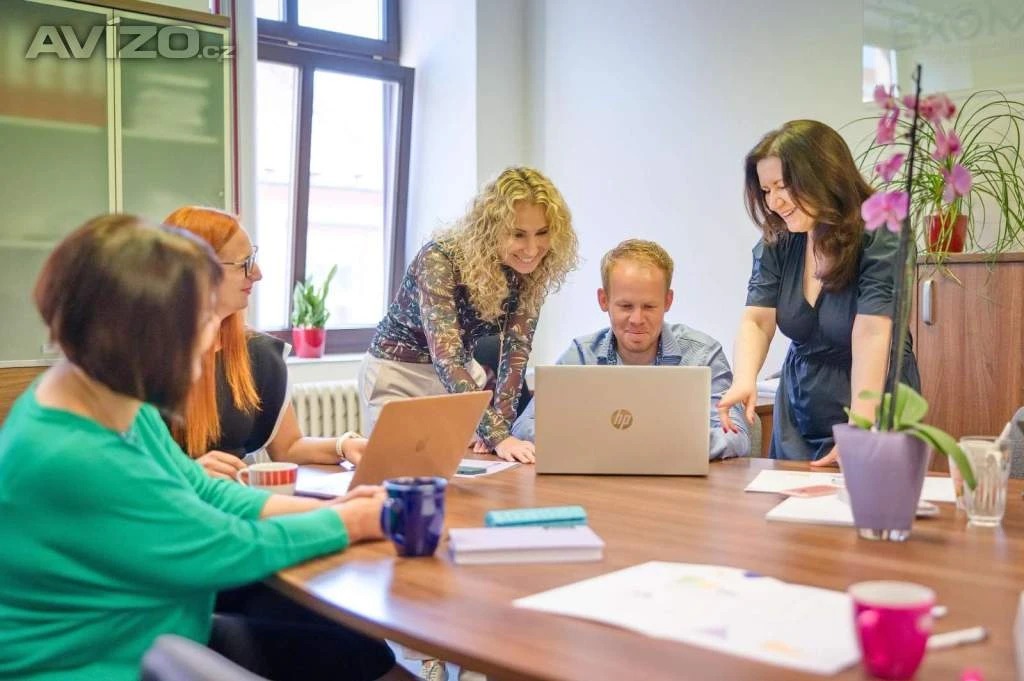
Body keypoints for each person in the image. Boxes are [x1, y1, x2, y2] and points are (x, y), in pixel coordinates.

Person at [0, 214, 412, 681]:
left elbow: (204, 490)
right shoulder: (73, 456)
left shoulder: (105, 396)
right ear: (144, 337)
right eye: (201, 320)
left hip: (148, 634)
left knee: (359, 651)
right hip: (101, 662)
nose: (215, 336)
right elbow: (225, 546)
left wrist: (339, 508)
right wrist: (351, 521)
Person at [718, 120, 921, 464]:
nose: (774, 202)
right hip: (799, 408)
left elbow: (872, 332)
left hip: (871, 401)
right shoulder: (781, 238)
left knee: (867, 495)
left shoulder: (881, 232)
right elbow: (757, 320)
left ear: (823, 174)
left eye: (782, 186)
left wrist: (860, 425)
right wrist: (744, 378)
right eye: (766, 190)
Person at [360, 167, 579, 465]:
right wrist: (497, 434)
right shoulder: (437, 260)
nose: (532, 249)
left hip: (460, 376)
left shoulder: (529, 270)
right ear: (490, 229)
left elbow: (516, 350)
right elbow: (446, 358)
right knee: (397, 470)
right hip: (400, 375)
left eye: (542, 233)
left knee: (477, 471)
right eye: (518, 234)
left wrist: (500, 428)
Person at [162, 206, 367, 479]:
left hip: (232, 495)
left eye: (253, 259)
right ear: (198, 272)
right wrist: (188, 473)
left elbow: (288, 447)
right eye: (244, 263)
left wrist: (344, 445)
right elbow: (116, 465)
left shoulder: (257, 352)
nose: (257, 273)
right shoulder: (138, 358)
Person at [511, 239, 750, 460]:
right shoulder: (582, 354)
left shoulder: (703, 355)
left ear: (667, 301)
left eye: (649, 306)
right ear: (604, 300)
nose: (637, 319)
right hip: (598, 480)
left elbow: (736, 436)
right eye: (626, 306)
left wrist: (652, 446)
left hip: (677, 484)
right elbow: (524, 425)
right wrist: (606, 443)